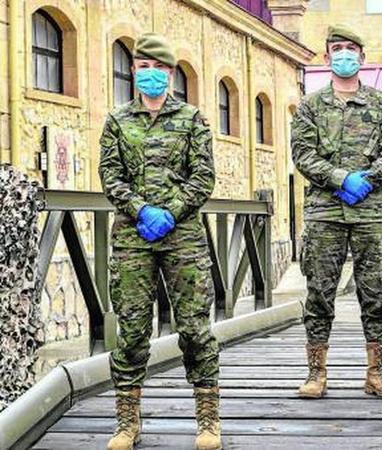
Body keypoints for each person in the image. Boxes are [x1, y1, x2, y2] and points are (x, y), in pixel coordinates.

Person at [99, 33, 221, 450]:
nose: (151, 75)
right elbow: (110, 176)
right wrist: (140, 210)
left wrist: (170, 210)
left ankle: (207, 421)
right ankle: (127, 424)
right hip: (134, 238)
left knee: (194, 328)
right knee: (132, 330)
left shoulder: (192, 119)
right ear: (133, 71)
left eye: (159, 69)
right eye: (143, 68)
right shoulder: (117, 121)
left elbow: (203, 176)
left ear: (171, 74)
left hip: (183, 236)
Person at [291, 24, 382, 399]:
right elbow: (303, 155)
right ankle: (316, 373)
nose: (344, 54)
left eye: (350, 48)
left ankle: (377, 372)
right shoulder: (309, 106)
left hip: (370, 213)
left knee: (375, 294)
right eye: (337, 48)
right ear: (326, 58)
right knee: (319, 293)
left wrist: (368, 180)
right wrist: (342, 179)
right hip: (325, 213)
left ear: (362, 57)